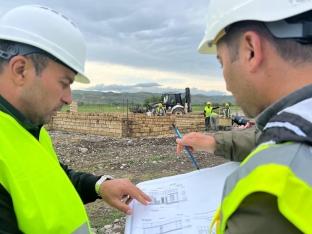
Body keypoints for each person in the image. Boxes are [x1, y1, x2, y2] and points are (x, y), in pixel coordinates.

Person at [0, 5, 151, 233]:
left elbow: (54, 180)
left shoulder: (30, 128)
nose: (69, 99)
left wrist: (100, 186)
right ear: (21, 70)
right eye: (64, 83)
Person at [177, 0, 312, 233]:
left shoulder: (268, 191)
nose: (227, 85)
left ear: (251, 50)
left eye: (222, 63)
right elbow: (279, 135)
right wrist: (215, 141)